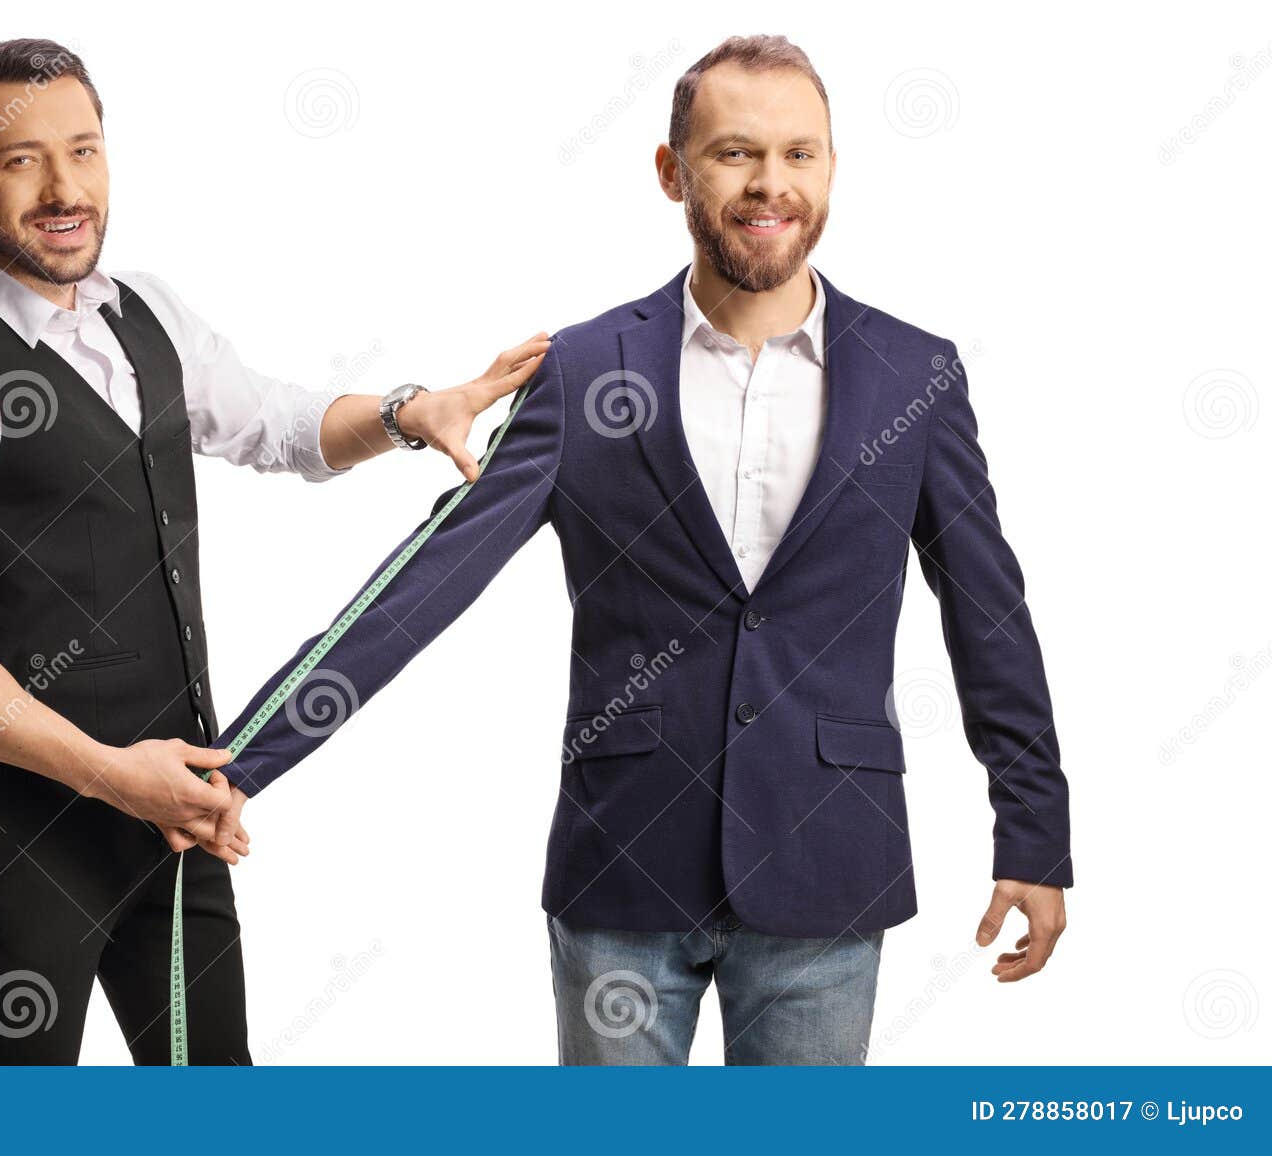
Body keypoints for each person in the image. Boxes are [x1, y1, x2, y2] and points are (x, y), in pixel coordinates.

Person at [194, 34, 1073, 1065]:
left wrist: (1033, 831)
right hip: (622, 870)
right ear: (671, 171)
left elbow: (986, 611)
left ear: (831, 167)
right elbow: (427, 585)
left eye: (800, 154)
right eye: (735, 153)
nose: (770, 185)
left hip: (828, 868)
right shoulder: (583, 370)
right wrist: (242, 760)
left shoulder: (913, 374)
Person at [0, 37, 547, 1064]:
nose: (64, 187)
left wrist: (406, 411)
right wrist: (114, 776)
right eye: (21, 159)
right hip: (26, 840)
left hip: (176, 816)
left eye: (84, 149)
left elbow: (277, 422)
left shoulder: (143, 313)